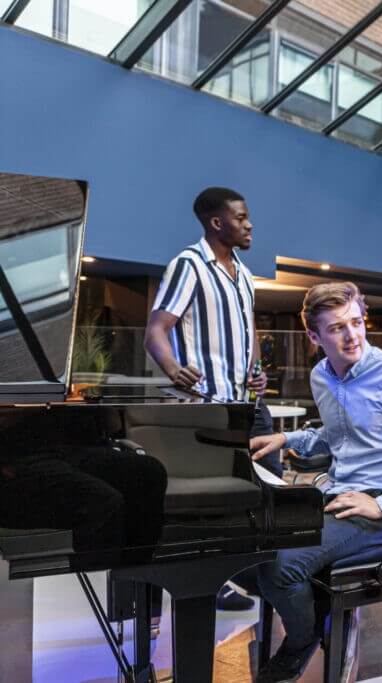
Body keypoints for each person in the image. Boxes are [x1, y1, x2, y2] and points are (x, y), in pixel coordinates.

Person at [249, 282, 382, 682]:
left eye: (356, 322)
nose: (352, 335)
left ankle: (299, 646)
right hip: (337, 497)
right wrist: (286, 438)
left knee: (280, 569)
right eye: (337, 328)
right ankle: (322, 623)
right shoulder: (321, 377)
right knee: (252, 554)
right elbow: (337, 433)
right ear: (314, 337)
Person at [144, 186, 271, 612]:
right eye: (241, 217)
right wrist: (172, 369)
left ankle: (255, 572)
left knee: (263, 493)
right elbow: (155, 331)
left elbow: (249, 328)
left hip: (247, 407)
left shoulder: (244, 273)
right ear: (217, 223)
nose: (249, 224)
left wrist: (257, 370)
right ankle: (212, 581)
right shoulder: (189, 265)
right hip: (208, 409)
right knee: (215, 502)